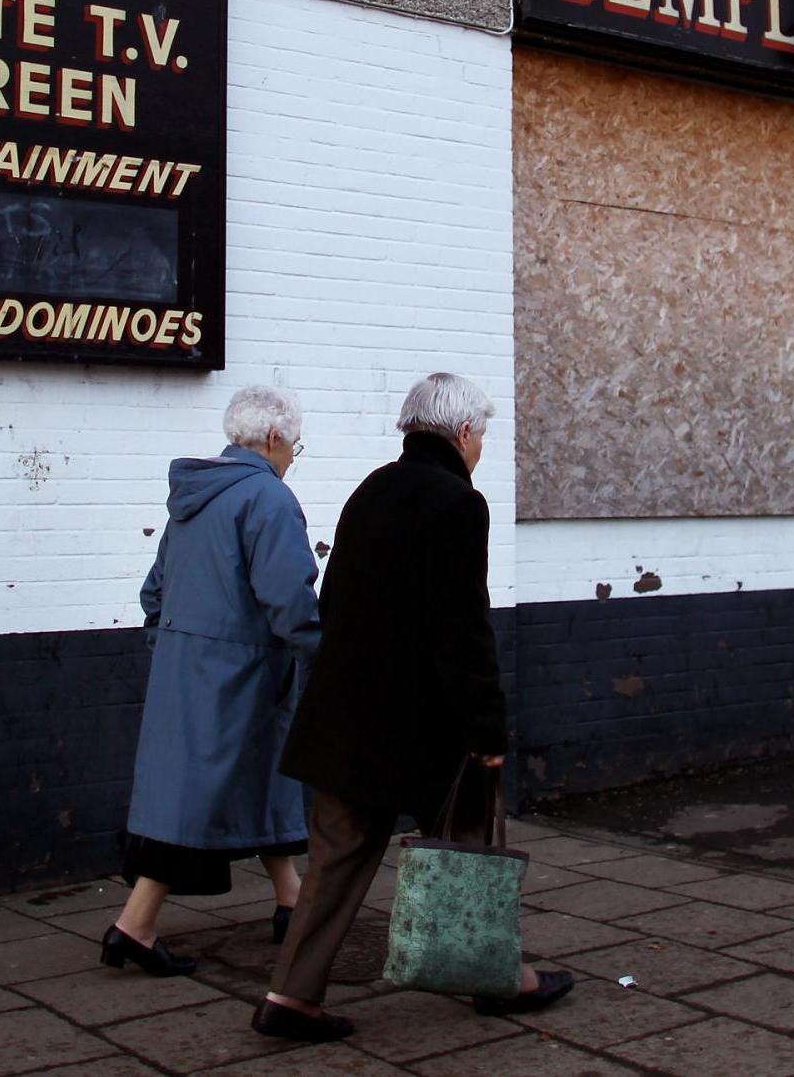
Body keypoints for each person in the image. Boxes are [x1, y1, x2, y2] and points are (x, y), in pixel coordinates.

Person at [253, 372, 574, 1041]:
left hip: (344, 718)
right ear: (461, 433)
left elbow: (334, 602)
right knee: (468, 837)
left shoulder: (371, 489)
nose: (481, 447)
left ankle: (289, 994)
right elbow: (461, 629)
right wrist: (487, 727)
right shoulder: (458, 502)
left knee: (335, 859)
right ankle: (496, 976)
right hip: (422, 726)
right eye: (481, 434)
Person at [103, 385, 322, 976]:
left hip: (187, 667)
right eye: (295, 444)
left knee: (255, 779)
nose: (294, 455)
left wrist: (175, 646)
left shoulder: (195, 498)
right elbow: (287, 600)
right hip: (244, 672)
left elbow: (154, 591)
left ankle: (291, 899)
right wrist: (323, 652)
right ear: (274, 438)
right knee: (197, 798)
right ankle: (134, 926)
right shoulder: (269, 500)